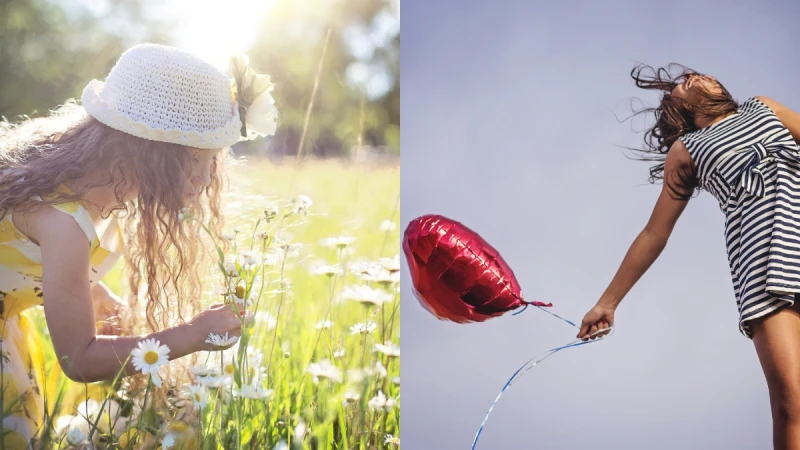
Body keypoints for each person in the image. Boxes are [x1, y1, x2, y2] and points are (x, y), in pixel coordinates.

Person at [0, 43, 275, 446]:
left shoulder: (78, 175)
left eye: (210, 160)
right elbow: (78, 358)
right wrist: (193, 334)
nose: (204, 179)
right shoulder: (64, 223)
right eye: (192, 158)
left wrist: (90, 289)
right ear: (144, 149)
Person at [577, 63, 800, 449]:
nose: (694, 77)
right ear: (679, 109)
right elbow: (654, 233)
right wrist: (607, 303)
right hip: (763, 267)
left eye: (695, 74)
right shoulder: (688, 150)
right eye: (683, 83)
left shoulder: (762, 108)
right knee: (790, 402)